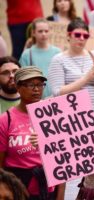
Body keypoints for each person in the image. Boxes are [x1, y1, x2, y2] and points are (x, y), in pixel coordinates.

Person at [0, 66, 65, 199]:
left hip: (48, 190)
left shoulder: (53, 116)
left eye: (40, 84)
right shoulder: (5, 120)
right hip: (17, 190)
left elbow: (64, 163)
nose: (36, 89)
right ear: (18, 87)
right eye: (30, 85)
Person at [48, 19, 94, 116]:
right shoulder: (58, 59)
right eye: (77, 35)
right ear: (68, 36)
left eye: (85, 36)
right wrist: (87, 78)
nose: (82, 38)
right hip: (73, 117)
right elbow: (57, 93)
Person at [19, 18, 61, 99]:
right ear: (33, 33)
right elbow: (21, 78)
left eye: (46, 31)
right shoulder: (27, 54)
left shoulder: (58, 52)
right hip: (34, 98)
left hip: (55, 97)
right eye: (40, 31)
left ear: (50, 32)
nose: (43, 34)